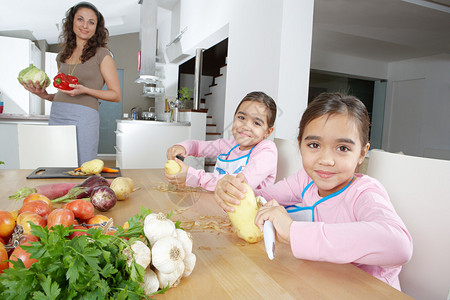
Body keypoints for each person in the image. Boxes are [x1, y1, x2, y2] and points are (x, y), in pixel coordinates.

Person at [214, 92, 412, 290]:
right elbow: (261, 196)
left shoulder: (364, 192)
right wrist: (232, 190)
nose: (326, 160)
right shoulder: (306, 179)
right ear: (300, 145)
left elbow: (399, 244)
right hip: (319, 283)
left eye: (343, 148)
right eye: (314, 145)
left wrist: (293, 232)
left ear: (361, 153)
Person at [21, 2, 121, 165]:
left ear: (97, 28)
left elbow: (115, 95)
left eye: (91, 22)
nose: (85, 25)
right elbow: (65, 92)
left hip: (85, 116)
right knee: (57, 163)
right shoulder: (61, 56)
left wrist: (86, 90)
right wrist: (45, 95)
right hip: (58, 113)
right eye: (80, 19)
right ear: (71, 22)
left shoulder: (102, 54)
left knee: (84, 165)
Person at [166, 91, 278, 192]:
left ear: (268, 132)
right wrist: (182, 147)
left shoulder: (267, 151)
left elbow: (238, 185)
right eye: (242, 118)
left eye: (256, 123)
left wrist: (196, 177)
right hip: (219, 205)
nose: (245, 126)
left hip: (250, 213)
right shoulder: (229, 145)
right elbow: (198, 146)